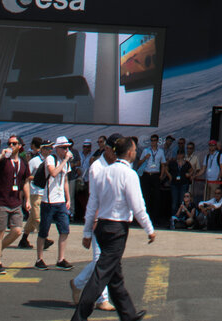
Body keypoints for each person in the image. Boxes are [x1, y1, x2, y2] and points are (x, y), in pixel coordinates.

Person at [73, 136, 153, 321]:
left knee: (114, 276)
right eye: (134, 149)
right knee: (100, 275)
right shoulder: (129, 174)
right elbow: (137, 206)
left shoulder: (104, 172)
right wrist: (149, 228)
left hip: (103, 226)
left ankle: (129, 315)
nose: (135, 152)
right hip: (117, 229)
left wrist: (87, 231)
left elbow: (92, 204)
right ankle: (79, 317)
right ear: (130, 152)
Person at [0, 133, 29, 272]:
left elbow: (25, 181)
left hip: (15, 201)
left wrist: (27, 199)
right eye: (9, 143)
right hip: (0, 200)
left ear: (20, 146)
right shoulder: (3, 161)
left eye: (14, 144)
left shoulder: (23, 163)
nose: (11, 146)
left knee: (17, 231)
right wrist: (0, 156)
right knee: (0, 232)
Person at [38, 138, 76, 268]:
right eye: (64, 147)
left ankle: (61, 259)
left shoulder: (66, 163)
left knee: (64, 230)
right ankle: (39, 259)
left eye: (67, 147)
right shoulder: (51, 159)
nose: (66, 150)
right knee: (44, 231)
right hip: (48, 201)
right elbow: (53, 173)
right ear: (57, 148)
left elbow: (65, 180)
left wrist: (68, 198)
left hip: (60, 201)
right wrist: (65, 160)